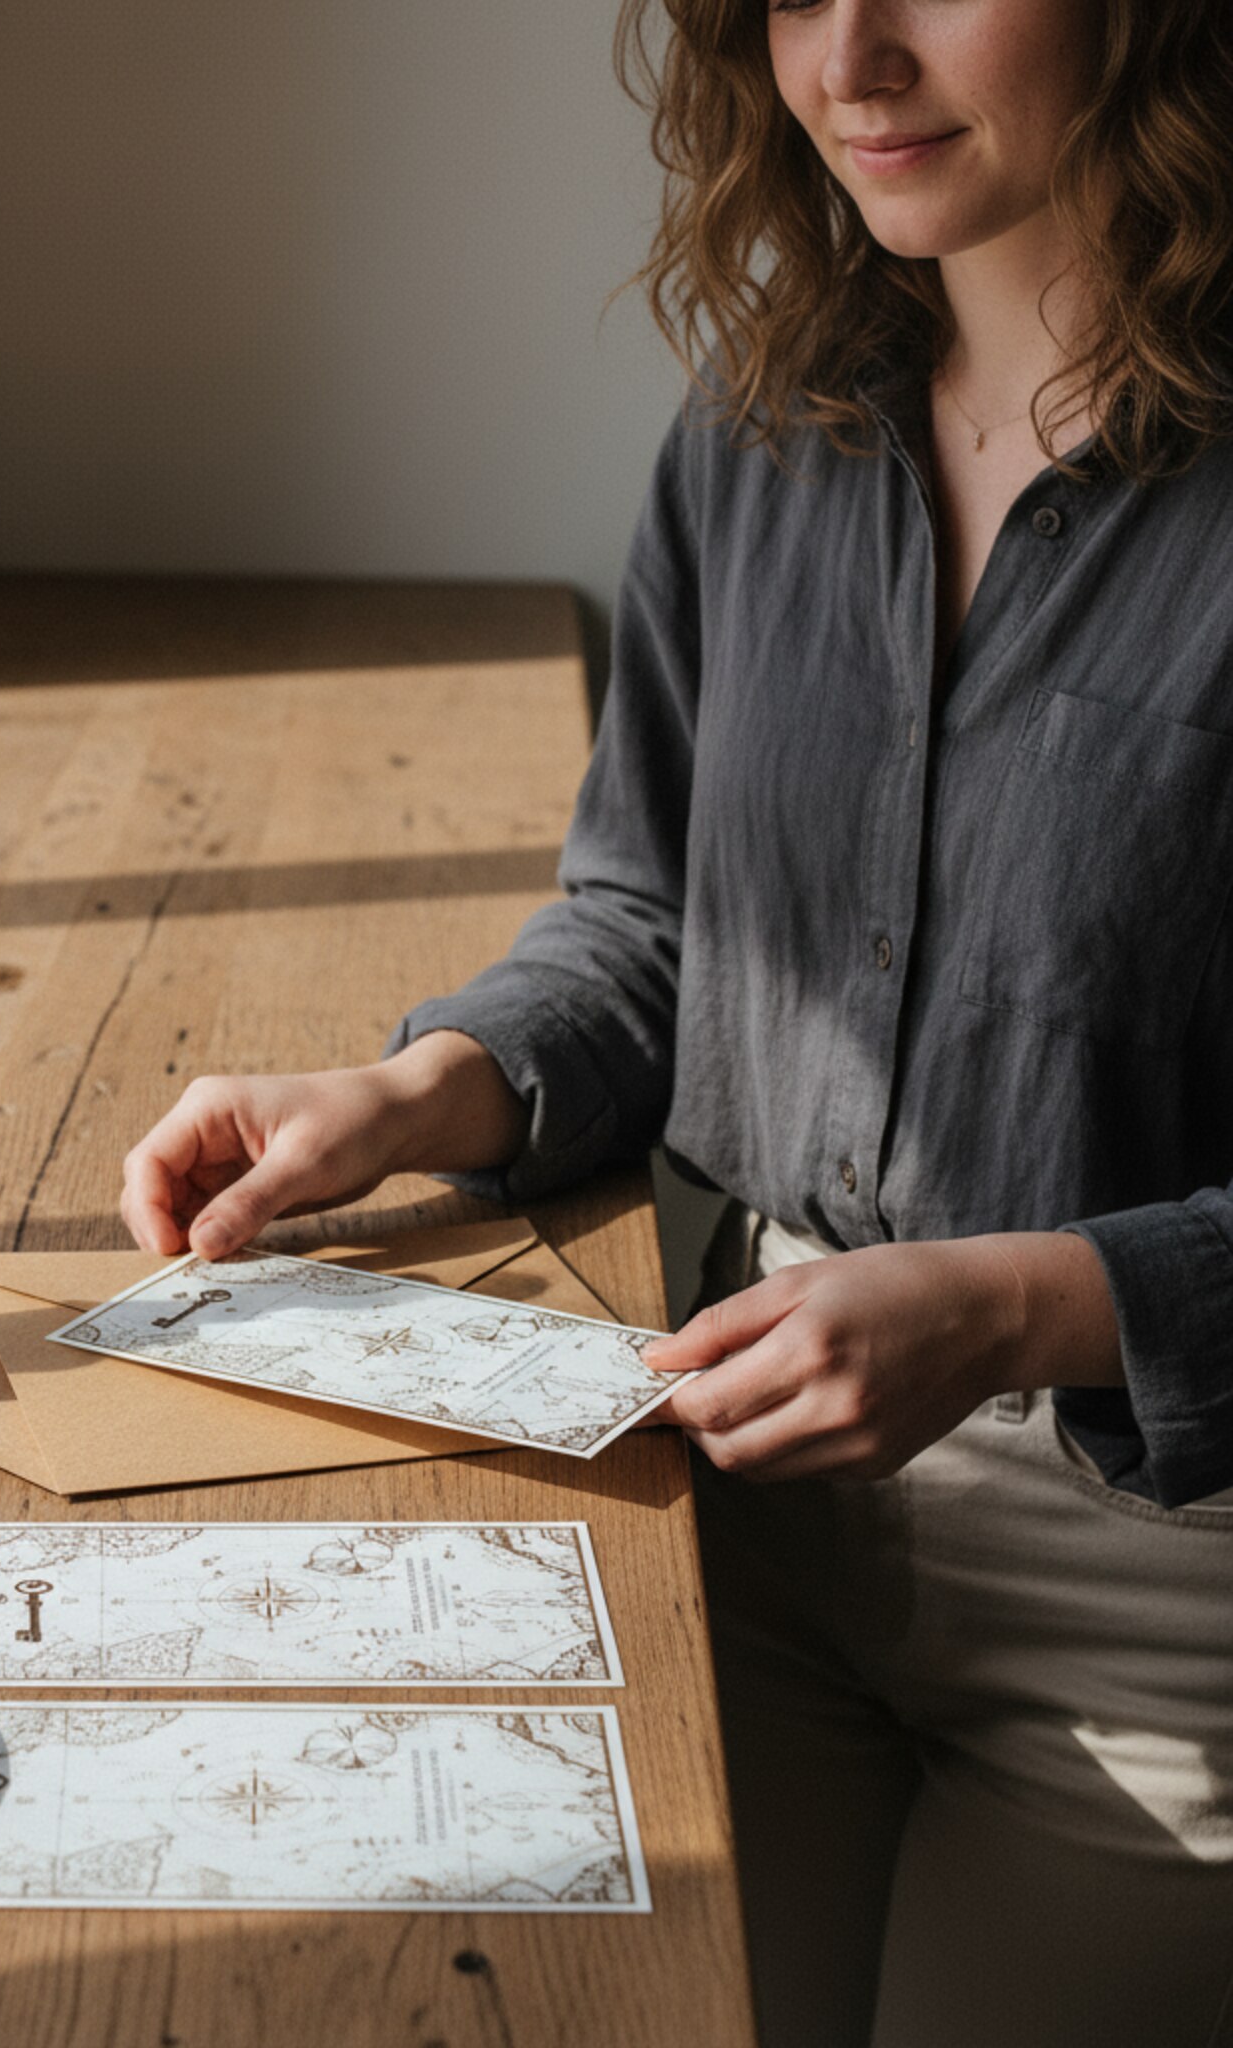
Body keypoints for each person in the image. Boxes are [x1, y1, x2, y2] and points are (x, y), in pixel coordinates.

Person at [118, 3, 1233, 2042]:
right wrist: (412, 1089)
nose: (854, 63)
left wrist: (1018, 1304)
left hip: (1159, 1598)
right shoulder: (763, 430)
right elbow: (654, 920)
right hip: (722, 1498)